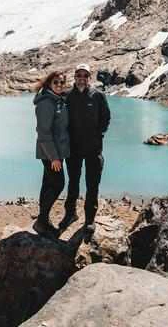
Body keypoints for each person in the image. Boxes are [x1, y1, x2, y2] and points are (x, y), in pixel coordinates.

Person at [61, 63, 110, 231]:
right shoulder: (67, 96)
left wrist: (98, 135)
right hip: (73, 148)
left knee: (92, 184)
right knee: (73, 182)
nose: (82, 78)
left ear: (89, 77)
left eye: (85, 75)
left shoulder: (98, 96)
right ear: (75, 77)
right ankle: (70, 213)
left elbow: (106, 118)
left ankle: (89, 219)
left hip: (93, 149)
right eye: (79, 75)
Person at [32, 70, 71, 236]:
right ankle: (42, 220)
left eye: (62, 82)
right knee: (58, 184)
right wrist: (54, 157)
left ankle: (43, 220)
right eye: (56, 82)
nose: (59, 85)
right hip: (50, 153)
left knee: (48, 183)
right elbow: (43, 132)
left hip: (55, 151)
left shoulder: (57, 99)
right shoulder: (46, 103)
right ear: (49, 84)